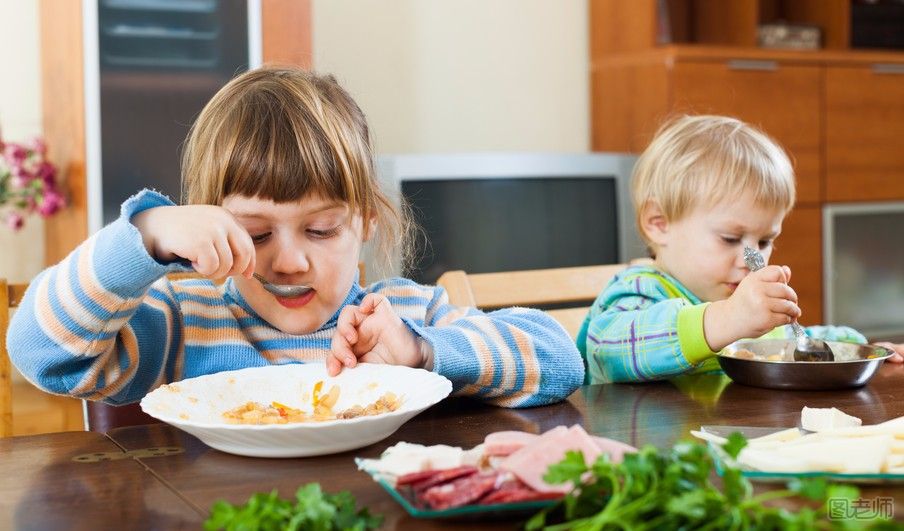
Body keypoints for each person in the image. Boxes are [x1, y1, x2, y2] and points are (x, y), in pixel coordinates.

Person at [7, 66, 583, 408]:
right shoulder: (182, 321)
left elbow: (561, 360)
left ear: (365, 222)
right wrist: (144, 237)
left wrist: (421, 352)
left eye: (322, 229)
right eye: (254, 235)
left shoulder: (405, 314)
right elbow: (40, 353)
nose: (288, 262)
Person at [577, 115, 904, 384]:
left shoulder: (737, 304)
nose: (753, 259)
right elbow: (610, 349)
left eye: (764, 241)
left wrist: (860, 348)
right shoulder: (639, 290)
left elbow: (783, 343)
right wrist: (727, 319)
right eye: (730, 239)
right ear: (659, 223)